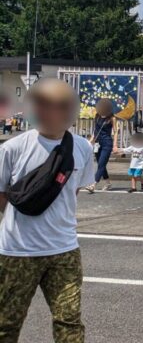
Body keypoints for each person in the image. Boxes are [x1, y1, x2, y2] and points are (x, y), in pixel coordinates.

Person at [0, 79, 95, 343]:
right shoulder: (12, 149)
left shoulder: (82, 148)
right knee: (6, 323)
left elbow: (71, 193)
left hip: (64, 250)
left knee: (70, 322)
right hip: (18, 252)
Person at [85, 98, 115, 193]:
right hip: (98, 143)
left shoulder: (112, 118)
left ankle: (93, 184)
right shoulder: (97, 116)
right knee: (101, 164)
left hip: (107, 143)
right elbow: (95, 131)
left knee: (101, 164)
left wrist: (115, 145)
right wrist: (90, 141)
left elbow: (116, 132)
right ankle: (108, 183)